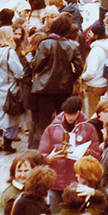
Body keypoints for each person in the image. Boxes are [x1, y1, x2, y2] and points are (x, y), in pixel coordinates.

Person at [29, 14, 84, 148]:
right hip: (64, 88)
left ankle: (42, 149)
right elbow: (79, 67)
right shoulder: (71, 46)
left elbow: (36, 65)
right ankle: (62, 146)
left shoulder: (45, 44)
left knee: (43, 122)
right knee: (63, 121)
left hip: (45, 88)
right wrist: (70, 77)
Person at [38, 96, 102, 211]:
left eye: (73, 114)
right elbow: (40, 155)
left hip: (78, 183)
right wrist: (48, 159)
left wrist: (87, 152)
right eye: (68, 114)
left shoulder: (88, 128)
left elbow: (97, 156)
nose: (71, 117)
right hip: (56, 183)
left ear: (79, 112)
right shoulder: (52, 129)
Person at [0, 26, 25, 151]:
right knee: (11, 117)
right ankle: (8, 144)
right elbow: (19, 72)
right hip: (10, 89)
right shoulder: (9, 52)